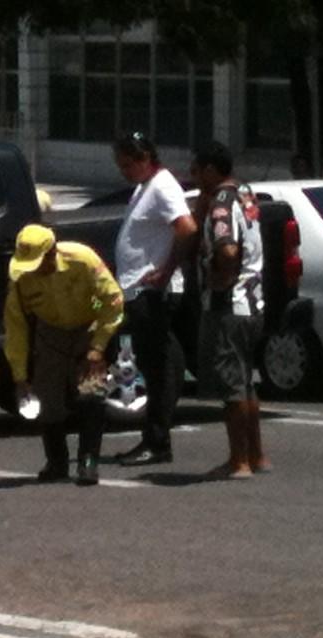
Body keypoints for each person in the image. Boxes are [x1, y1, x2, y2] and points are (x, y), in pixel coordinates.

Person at [4, 224, 124, 486]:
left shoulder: (82, 259)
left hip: (89, 322)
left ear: (52, 253)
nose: (34, 270)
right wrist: (20, 376)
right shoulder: (21, 279)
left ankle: (88, 461)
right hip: (50, 332)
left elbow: (112, 301)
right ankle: (56, 462)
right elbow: (16, 328)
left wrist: (98, 347)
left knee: (91, 395)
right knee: (47, 400)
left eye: (38, 262)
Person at [110, 132, 198, 466]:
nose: (124, 171)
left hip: (152, 292)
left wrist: (165, 270)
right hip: (137, 290)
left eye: (128, 165)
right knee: (157, 364)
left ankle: (158, 442)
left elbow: (187, 228)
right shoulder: (144, 187)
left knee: (157, 369)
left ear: (145, 158)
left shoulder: (162, 186)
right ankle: (154, 438)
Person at [189, 141, 271, 479]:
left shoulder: (221, 203)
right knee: (246, 381)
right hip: (254, 303)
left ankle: (239, 461)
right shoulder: (245, 194)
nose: (194, 177)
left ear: (210, 170)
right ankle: (257, 456)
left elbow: (227, 251)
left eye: (197, 171)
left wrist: (217, 276)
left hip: (230, 305)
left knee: (231, 385)